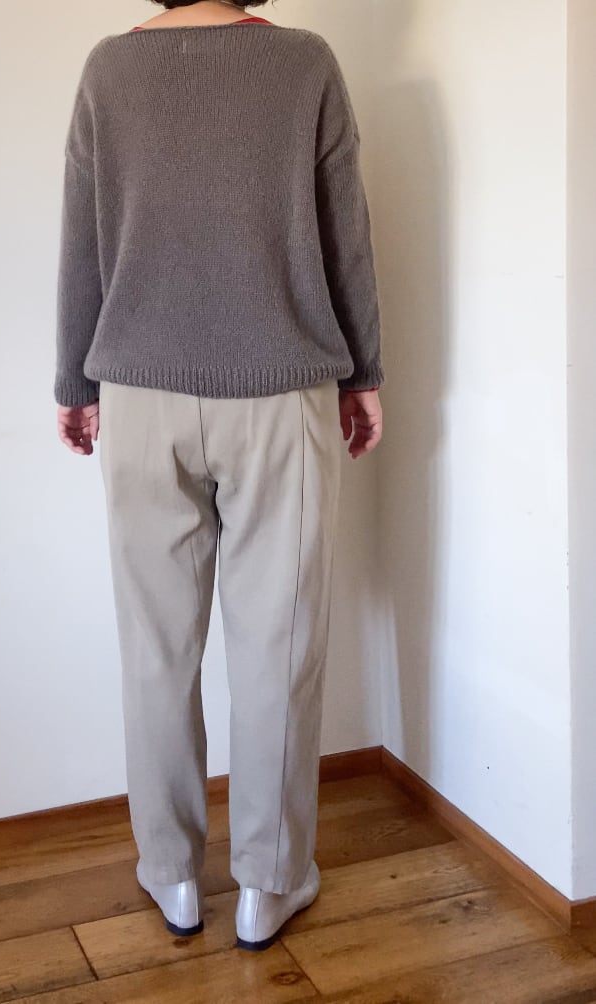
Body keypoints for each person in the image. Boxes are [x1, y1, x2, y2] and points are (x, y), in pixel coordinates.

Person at [54, 0, 384, 951]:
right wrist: (363, 373)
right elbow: (344, 232)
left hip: (139, 396)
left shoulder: (107, 69)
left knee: (155, 648)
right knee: (279, 647)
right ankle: (268, 886)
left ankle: (170, 875)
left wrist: (74, 380)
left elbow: (83, 237)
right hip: (280, 392)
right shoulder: (304, 62)